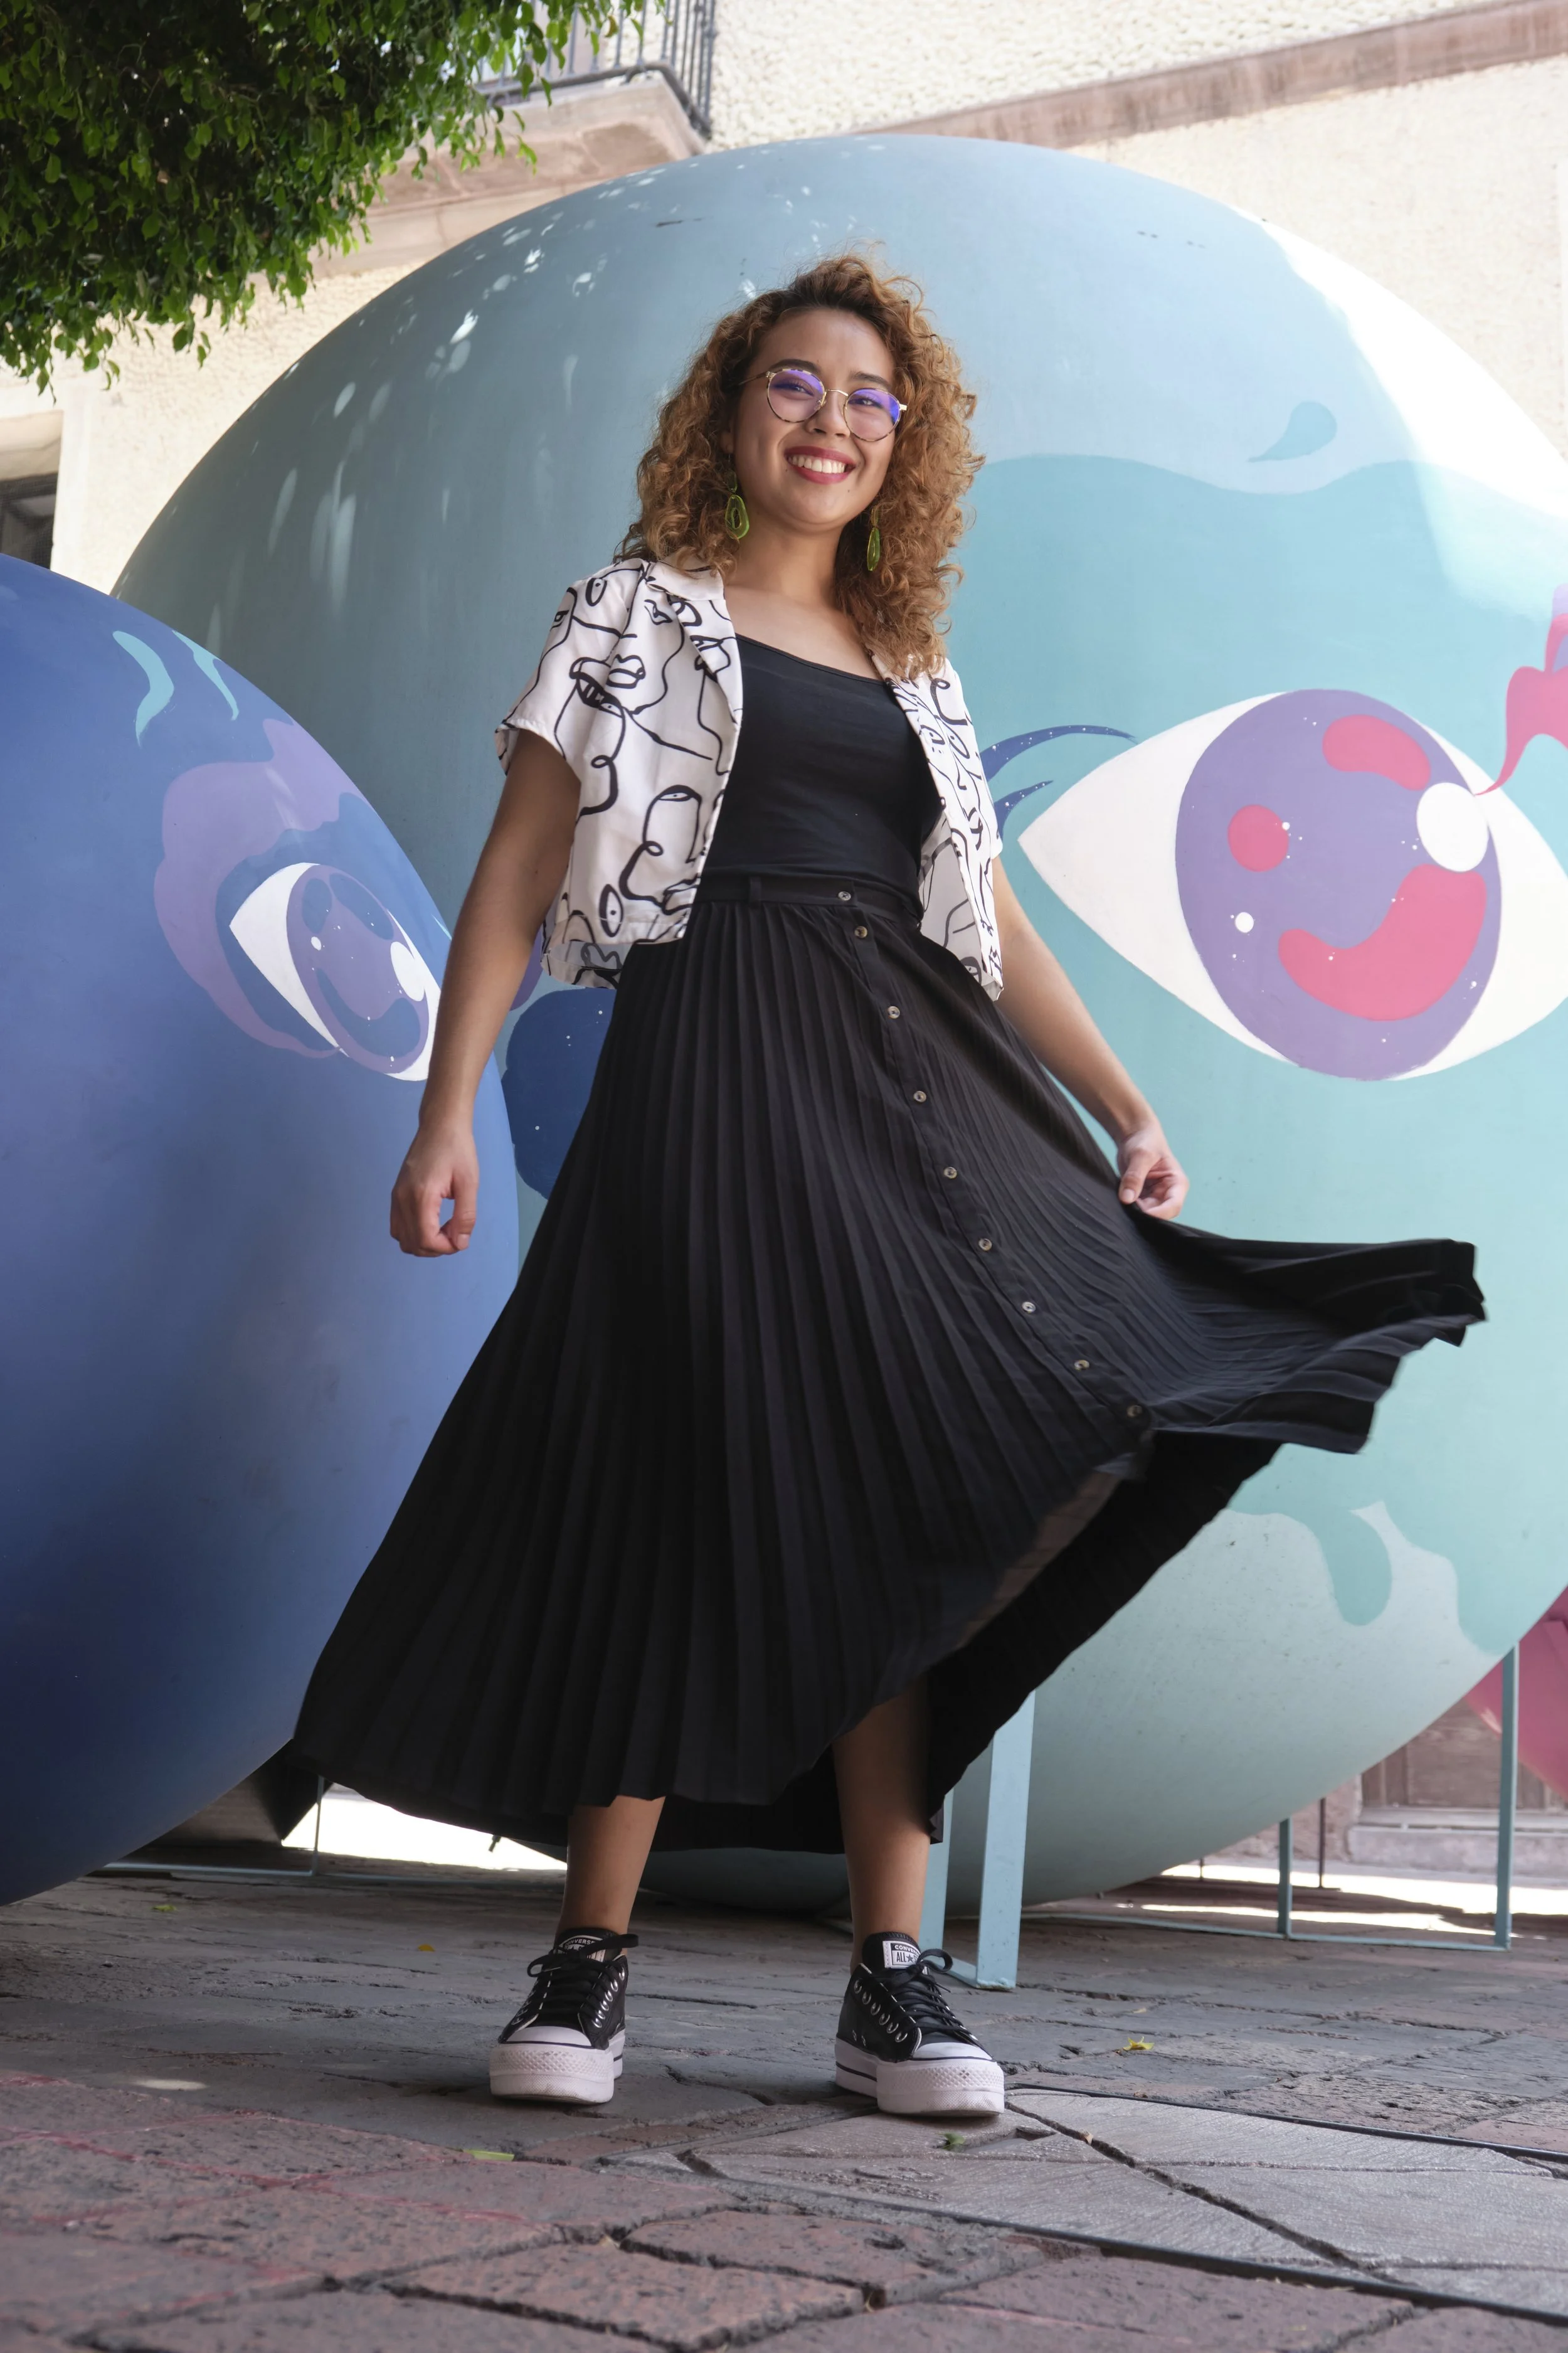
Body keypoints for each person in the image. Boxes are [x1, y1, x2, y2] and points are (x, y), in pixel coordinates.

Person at [294, 253, 1481, 2120]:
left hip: (903, 1089)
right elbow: (518, 879)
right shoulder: (631, 615)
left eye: (871, 397)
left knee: (908, 1478)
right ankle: (586, 1962)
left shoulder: (910, 662)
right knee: (667, 1474)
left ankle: (890, 1976)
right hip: (702, 1075)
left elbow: (982, 918)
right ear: (730, 409)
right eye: (794, 382)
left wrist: (1117, 1097)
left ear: (902, 441)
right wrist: (445, 1116)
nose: (832, 420)